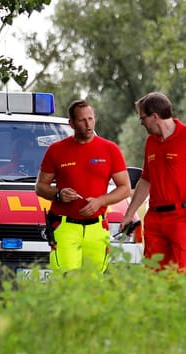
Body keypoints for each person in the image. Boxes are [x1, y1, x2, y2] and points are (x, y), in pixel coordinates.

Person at [121, 91, 186, 273]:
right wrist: (129, 214)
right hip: (154, 219)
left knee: (184, 274)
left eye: (142, 119)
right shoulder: (151, 142)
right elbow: (146, 180)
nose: (141, 123)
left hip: (182, 217)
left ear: (154, 117)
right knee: (154, 275)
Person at [34, 100, 132, 273]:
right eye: (82, 120)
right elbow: (40, 187)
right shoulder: (56, 150)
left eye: (91, 119)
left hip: (97, 228)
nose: (88, 124)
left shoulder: (110, 149)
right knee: (67, 283)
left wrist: (100, 201)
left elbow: (124, 188)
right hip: (65, 227)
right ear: (71, 123)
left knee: (93, 286)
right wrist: (58, 194)